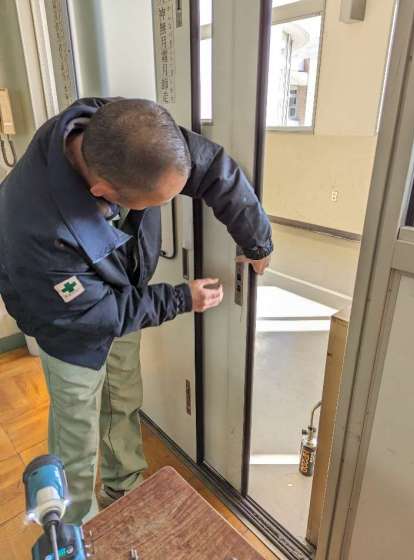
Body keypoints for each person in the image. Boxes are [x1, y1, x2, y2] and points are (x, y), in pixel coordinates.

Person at [0, 97, 272, 524]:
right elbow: (98, 315)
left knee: (122, 399)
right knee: (76, 435)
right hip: (65, 325)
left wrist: (256, 240)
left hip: (118, 295)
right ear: (104, 194)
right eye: (154, 203)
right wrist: (182, 298)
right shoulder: (37, 229)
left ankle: (123, 488)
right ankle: (76, 529)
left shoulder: (132, 133)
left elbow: (210, 167)